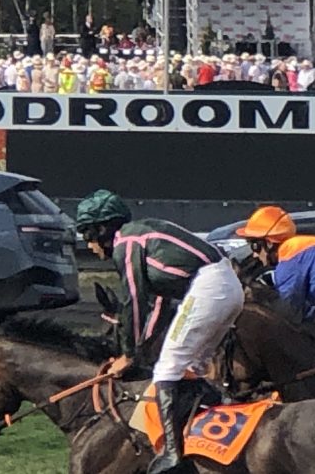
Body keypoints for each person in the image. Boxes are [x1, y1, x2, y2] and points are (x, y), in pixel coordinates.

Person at [74, 189, 241, 474]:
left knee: (167, 369)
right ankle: (208, 440)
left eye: (88, 235)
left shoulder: (125, 243)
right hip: (226, 286)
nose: (89, 246)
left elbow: (134, 301)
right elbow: (159, 302)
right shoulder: (143, 235)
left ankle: (173, 457)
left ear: (102, 229)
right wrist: (140, 350)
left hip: (210, 286)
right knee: (194, 368)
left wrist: (128, 354)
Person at [236, 206, 315, 323]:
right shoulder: (302, 245)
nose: (254, 255)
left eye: (255, 246)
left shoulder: (289, 258)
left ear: (269, 243)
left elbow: (288, 313)